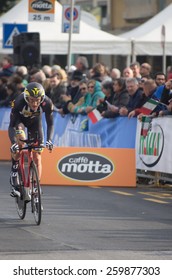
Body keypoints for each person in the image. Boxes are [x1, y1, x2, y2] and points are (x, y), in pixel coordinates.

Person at [8, 82, 54, 200]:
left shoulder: (47, 103)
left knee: (37, 155)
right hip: (20, 122)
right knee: (20, 143)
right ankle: (14, 171)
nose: (34, 103)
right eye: (31, 100)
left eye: (37, 100)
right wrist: (14, 143)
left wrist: (49, 140)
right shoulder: (18, 102)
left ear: (42, 98)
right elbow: (11, 126)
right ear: (26, 98)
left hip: (35, 123)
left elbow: (50, 123)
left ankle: (35, 186)